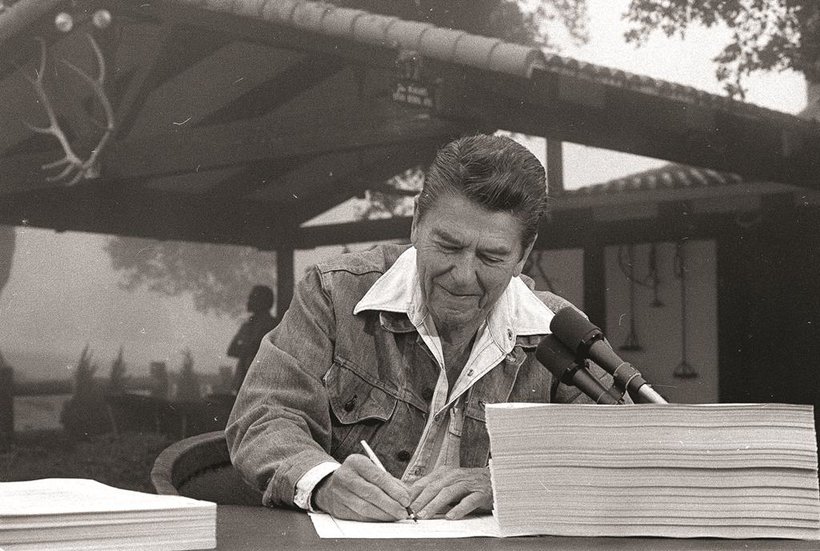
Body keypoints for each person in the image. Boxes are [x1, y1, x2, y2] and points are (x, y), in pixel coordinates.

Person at [226, 134, 622, 522]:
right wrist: (325, 483)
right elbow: (265, 416)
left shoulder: (560, 332)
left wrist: (504, 484)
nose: (464, 276)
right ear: (416, 221)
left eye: (491, 257)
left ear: (524, 253)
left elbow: (626, 457)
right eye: (448, 246)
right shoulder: (334, 293)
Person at [227, 285, 279, 393]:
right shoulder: (247, 326)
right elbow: (231, 350)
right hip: (244, 381)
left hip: (263, 382)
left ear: (263, 301)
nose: (249, 301)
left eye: (253, 297)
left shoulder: (273, 325)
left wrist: (247, 348)